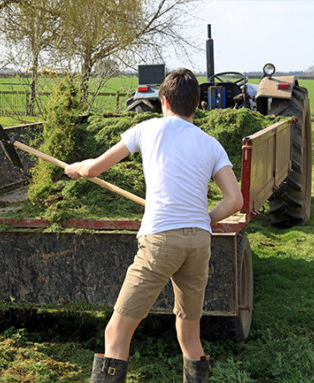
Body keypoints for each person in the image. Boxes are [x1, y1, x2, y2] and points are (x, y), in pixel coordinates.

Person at [64, 68, 243, 383]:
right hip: (199, 243)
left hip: (161, 241)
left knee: (116, 333)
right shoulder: (212, 144)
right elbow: (234, 201)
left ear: (164, 101)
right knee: (189, 334)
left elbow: (95, 168)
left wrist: (77, 168)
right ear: (197, 105)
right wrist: (205, 218)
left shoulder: (146, 129)